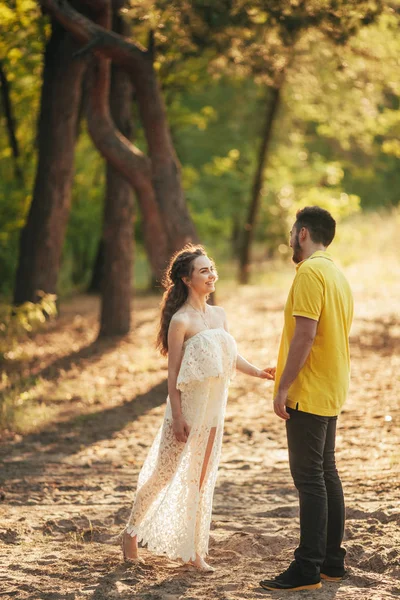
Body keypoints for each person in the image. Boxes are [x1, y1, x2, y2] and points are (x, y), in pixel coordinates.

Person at [122, 244, 275, 571]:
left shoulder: (218, 314)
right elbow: (173, 374)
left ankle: (192, 551)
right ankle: (131, 532)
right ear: (186, 279)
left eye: (212, 268)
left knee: (199, 480)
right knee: (163, 476)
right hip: (186, 409)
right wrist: (177, 417)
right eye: (204, 270)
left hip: (214, 409)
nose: (211, 274)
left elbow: (230, 356)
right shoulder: (181, 320)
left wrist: (258, 371)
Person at [260, 206, 354, 592]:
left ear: (302, 233)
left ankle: (307, 569)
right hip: (330, 386)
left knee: (310, 479)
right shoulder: (336, 273)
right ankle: (331, 562)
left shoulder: (310, 272)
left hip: (309, 390)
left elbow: (306, 335)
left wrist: (282, 386)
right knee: (325, 473)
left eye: (291, 232)